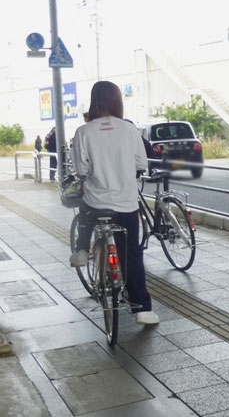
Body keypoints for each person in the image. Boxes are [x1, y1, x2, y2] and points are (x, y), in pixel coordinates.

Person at [69, 81, 159, 325]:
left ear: (93, 101)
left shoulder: (83, 132)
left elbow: (81, 170)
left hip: (97, 202)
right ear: (117, 101)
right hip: (127, 204)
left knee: (86, 209)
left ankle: (81, 249)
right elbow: (142, 164)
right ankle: (142, 310)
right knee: (132, 253)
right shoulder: (129, 130)